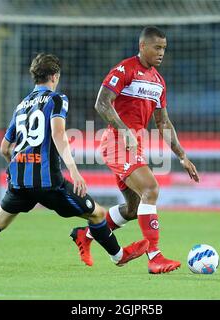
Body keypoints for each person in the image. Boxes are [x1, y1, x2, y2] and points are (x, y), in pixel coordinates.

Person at [0, 53, 148, 275]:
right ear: (55, 76)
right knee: (97, 214)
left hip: (19, 180)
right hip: (49, 183)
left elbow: (4, 148)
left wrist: (15, 167)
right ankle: (119, 256)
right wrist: (74, 171)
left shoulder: (22, 105)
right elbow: (58, 134)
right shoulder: (57, 99)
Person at [70, 26, 200, 274]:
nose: (162, 53)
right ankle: (155, 256)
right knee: (151, 189)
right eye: (157, 48)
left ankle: (85, 234)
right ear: (143, 46)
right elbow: (102, 103)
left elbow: (163, 123)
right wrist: (124, 129)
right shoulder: (125, 69)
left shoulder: (159, 82)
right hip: (117, 140)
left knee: (132, 208)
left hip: (134, 142)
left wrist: (182, 156)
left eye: (164, 48)